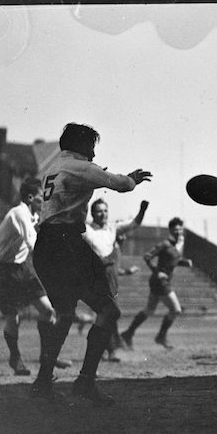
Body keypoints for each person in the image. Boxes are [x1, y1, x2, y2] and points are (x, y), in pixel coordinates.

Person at [31, 122, 152, 404]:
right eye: (92, 147)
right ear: (83, 146)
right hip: (66, 244)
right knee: (109, 311)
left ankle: (42, 382)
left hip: (46, 246)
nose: (94, 154)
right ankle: (85, 382)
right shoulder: (80, 167)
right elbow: (121, 185)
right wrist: (132, 178)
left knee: (64, 315)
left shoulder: (53, 167)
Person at [0, 178, 68, 375]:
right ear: (30, 198)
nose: (44, 202)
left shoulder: (33, 215)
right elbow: (34, 244)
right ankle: (16, 358)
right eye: (41, 198)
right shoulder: (19, 213)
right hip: (1, 271)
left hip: (19, 268)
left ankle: (47, 356)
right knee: (13, 317)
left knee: (48, 311)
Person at [82, 197, 149, 361]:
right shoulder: (87, 230)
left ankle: (106, 348)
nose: (103, 214)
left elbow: (133, 224)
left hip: (111, 278)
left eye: (105, 210)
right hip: (96, 277)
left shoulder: (112, 228)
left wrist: (142, 210)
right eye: (99, 211)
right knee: (110, 313)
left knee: (109, 315)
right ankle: (110, 349)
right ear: (92, 213)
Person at [120, 217, 192, 350]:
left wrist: (184, 262)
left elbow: (172, 261)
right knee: (176, 310)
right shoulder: (165, 244)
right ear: (170, 230)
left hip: (160, 281)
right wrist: (157, 271)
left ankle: (128, 333)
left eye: (180, 229)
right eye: (175, 229)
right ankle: (160, 336)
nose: (178, 232)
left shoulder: (176, 247)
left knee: (149, 310)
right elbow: (147, 256)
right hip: (160, 282)